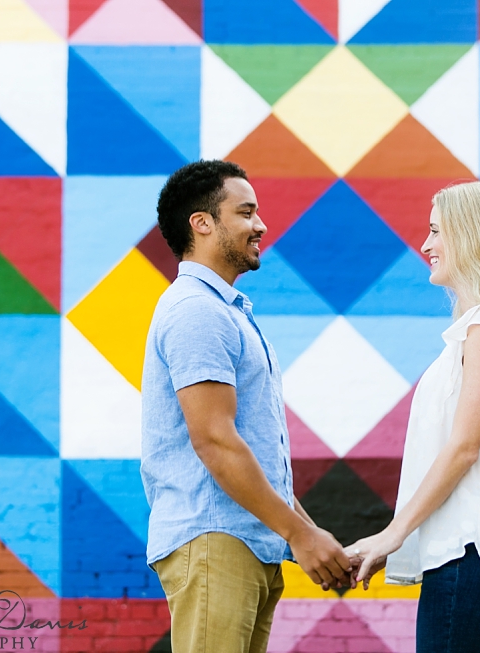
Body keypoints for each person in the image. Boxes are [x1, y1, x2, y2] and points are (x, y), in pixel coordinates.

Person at [140, 160, 353, 653]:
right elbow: (214, 439)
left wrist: (304, 530)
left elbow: (249, 447)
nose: (260, 225)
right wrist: (299, 534)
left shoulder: (224, 311)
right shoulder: (197, 310)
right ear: (203, 223)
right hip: (216, 538)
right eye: (246, 212)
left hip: (244, 542)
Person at [347, 181, 480, 653]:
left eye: (435, 231)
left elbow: (463, 447)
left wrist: (391, 535)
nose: (425, 245)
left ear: (472, 237)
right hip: (458, 555)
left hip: (465, 553)